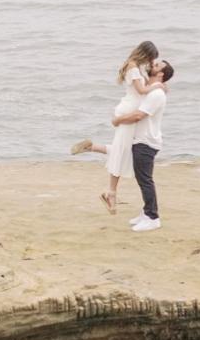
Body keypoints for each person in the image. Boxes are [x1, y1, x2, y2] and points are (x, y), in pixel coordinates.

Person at [70, 42, 167, 214]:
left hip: (131, 108)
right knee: (122, 151)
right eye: (151, 58)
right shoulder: (133, 67)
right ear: (145, 54)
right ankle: (111, 193)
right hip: (129, 110)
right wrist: (157, 86)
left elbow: (144, 87)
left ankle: (91, 147)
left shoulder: (137, 67)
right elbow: (141, 90)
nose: (151, 62)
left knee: (124, 149)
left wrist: (158, 83)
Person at [112, 59, 173, 232]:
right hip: (141, 140)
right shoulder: (152, 89)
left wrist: (118, 120)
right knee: (142, 179)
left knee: (145, 180)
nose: (152, 65)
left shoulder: (156, 94)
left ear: (161, 74)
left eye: (157, 65)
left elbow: (139, 115)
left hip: (146, 142)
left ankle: (152, 217)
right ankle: (146, 212)